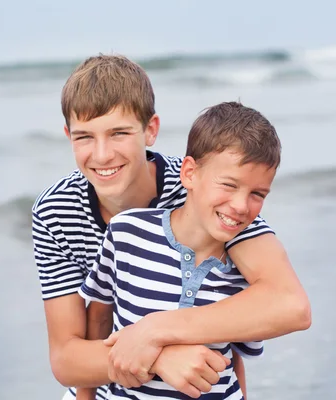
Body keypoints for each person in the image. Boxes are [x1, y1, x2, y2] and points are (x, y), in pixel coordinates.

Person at [31, 54, 311, 400]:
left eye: (119, 133)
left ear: (151, 130)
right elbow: (66, 359)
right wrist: (159, 356)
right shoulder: (55, 212)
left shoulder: (206, 190)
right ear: (67, 136)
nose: (102, 155)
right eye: (84, 137)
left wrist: (156, 331)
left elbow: (288, 304)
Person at [78, 101, 283, 399]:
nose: (241, 205)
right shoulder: (126, 234)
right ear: (189, 173)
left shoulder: (244, 270)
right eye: (229, 185)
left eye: (257, 194)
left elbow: (233, 361)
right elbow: (97, 321)